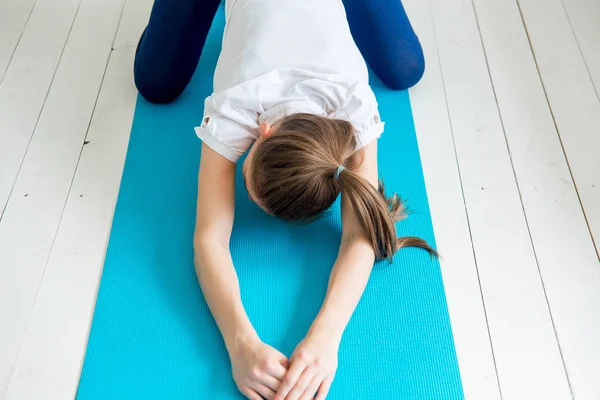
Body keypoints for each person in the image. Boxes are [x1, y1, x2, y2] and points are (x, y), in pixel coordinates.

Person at [134, 0, 434, 399]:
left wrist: (327, 338)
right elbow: (209, 239)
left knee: (405, 69)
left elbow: (358, 236)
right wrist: (240, 342)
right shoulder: (237, 107)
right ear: (264, 131)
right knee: (155, 83)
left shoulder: (352, 108)